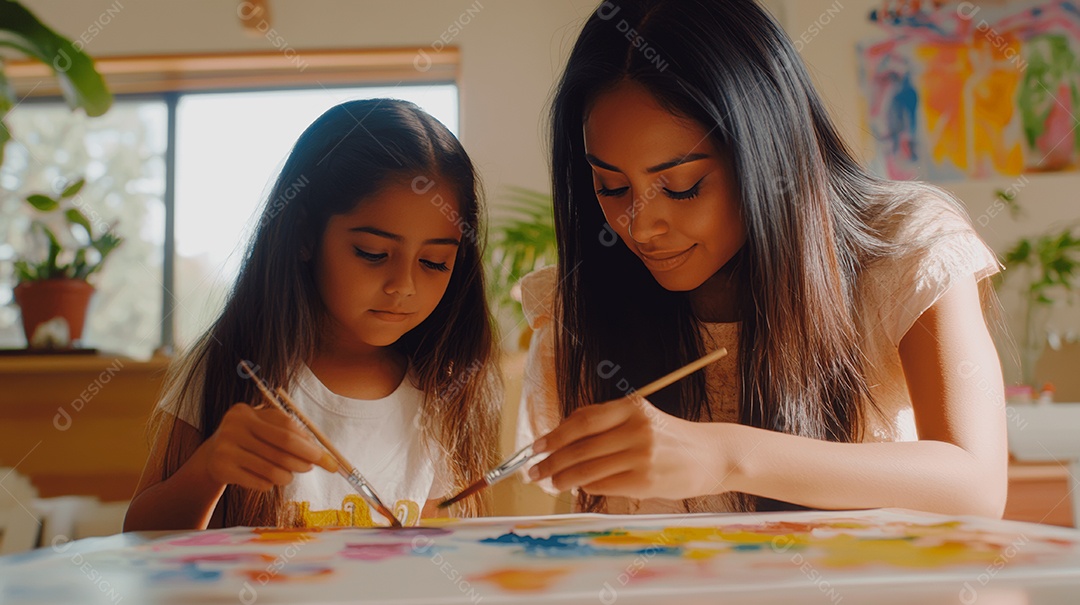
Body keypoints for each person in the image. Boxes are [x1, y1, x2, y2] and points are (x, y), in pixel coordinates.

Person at [518, 0, 1007, 517]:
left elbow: (974, 488)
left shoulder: (901, 249)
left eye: (682, 187)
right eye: (610, 187)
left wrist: (728, 456)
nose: (639, 226)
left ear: (765, 153)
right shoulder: (580, 304)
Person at [125, 99, 500, 530]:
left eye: (434, 262)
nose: (404, 286)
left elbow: (445, 553)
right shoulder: (231, 364)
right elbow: (139, 537)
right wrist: (209, 468)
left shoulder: (443, 387)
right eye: (373, 254)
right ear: (305, 235)